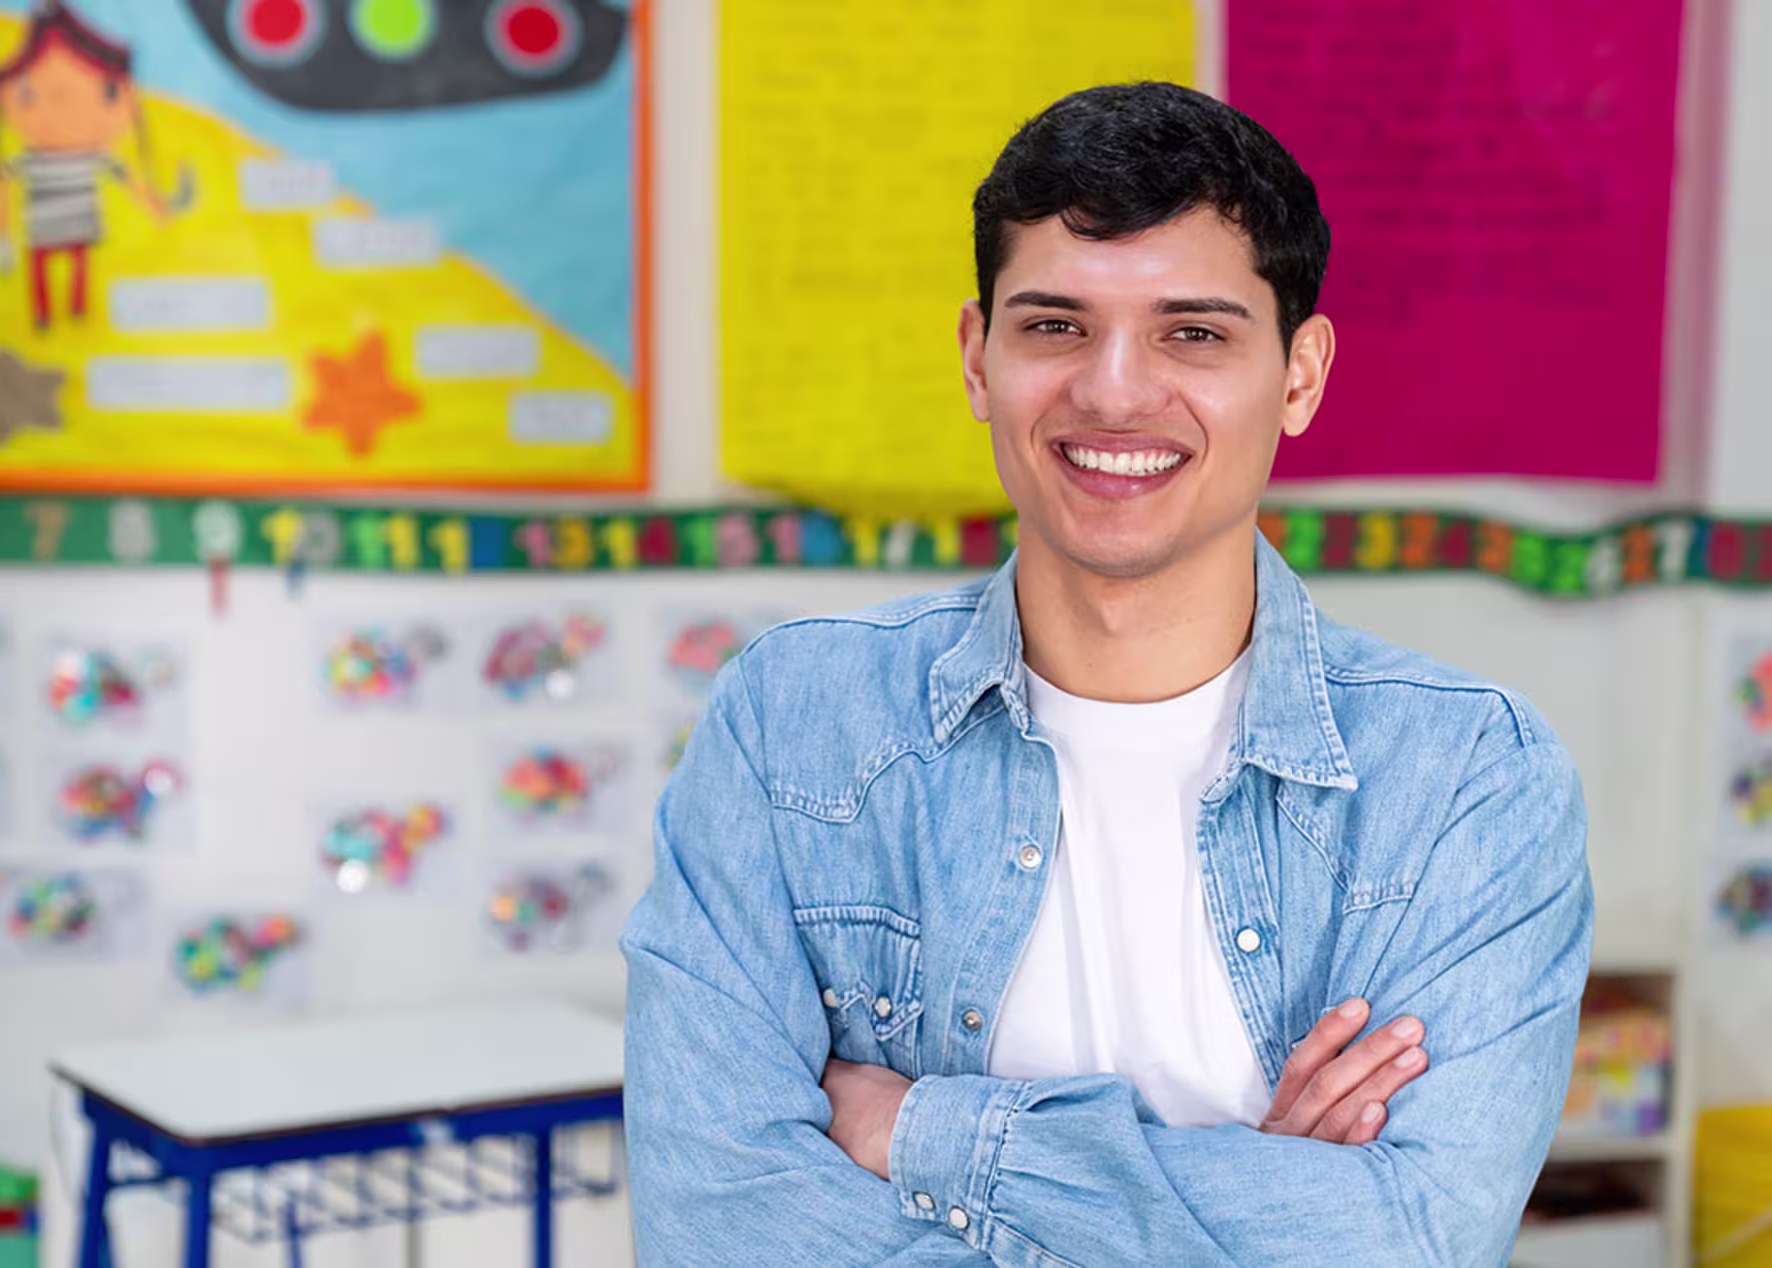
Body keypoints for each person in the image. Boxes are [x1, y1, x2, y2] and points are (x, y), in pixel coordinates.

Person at [622, 81, 1591, 1267]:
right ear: (980, 359)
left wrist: (920, 1128)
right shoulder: (792, 726)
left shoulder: (1468, 776)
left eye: (1194, 332)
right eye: (1055, 324)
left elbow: (1414, 1234)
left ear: (1299, 373)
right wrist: (1256, 1187)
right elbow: (717, 1224)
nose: (1116, 390)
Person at [0, 0, 184, 329]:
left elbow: (126, 178)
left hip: (78, 219)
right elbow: (1, 182)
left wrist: (157, 205)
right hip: (42, 224)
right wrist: (0, 236)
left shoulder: (96, 156)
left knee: (78, 262)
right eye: (28, 93)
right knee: (42, 264)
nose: (64, 103)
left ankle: (76, 307)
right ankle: (42, 312)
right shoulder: (28, 161)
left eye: (108, 93)